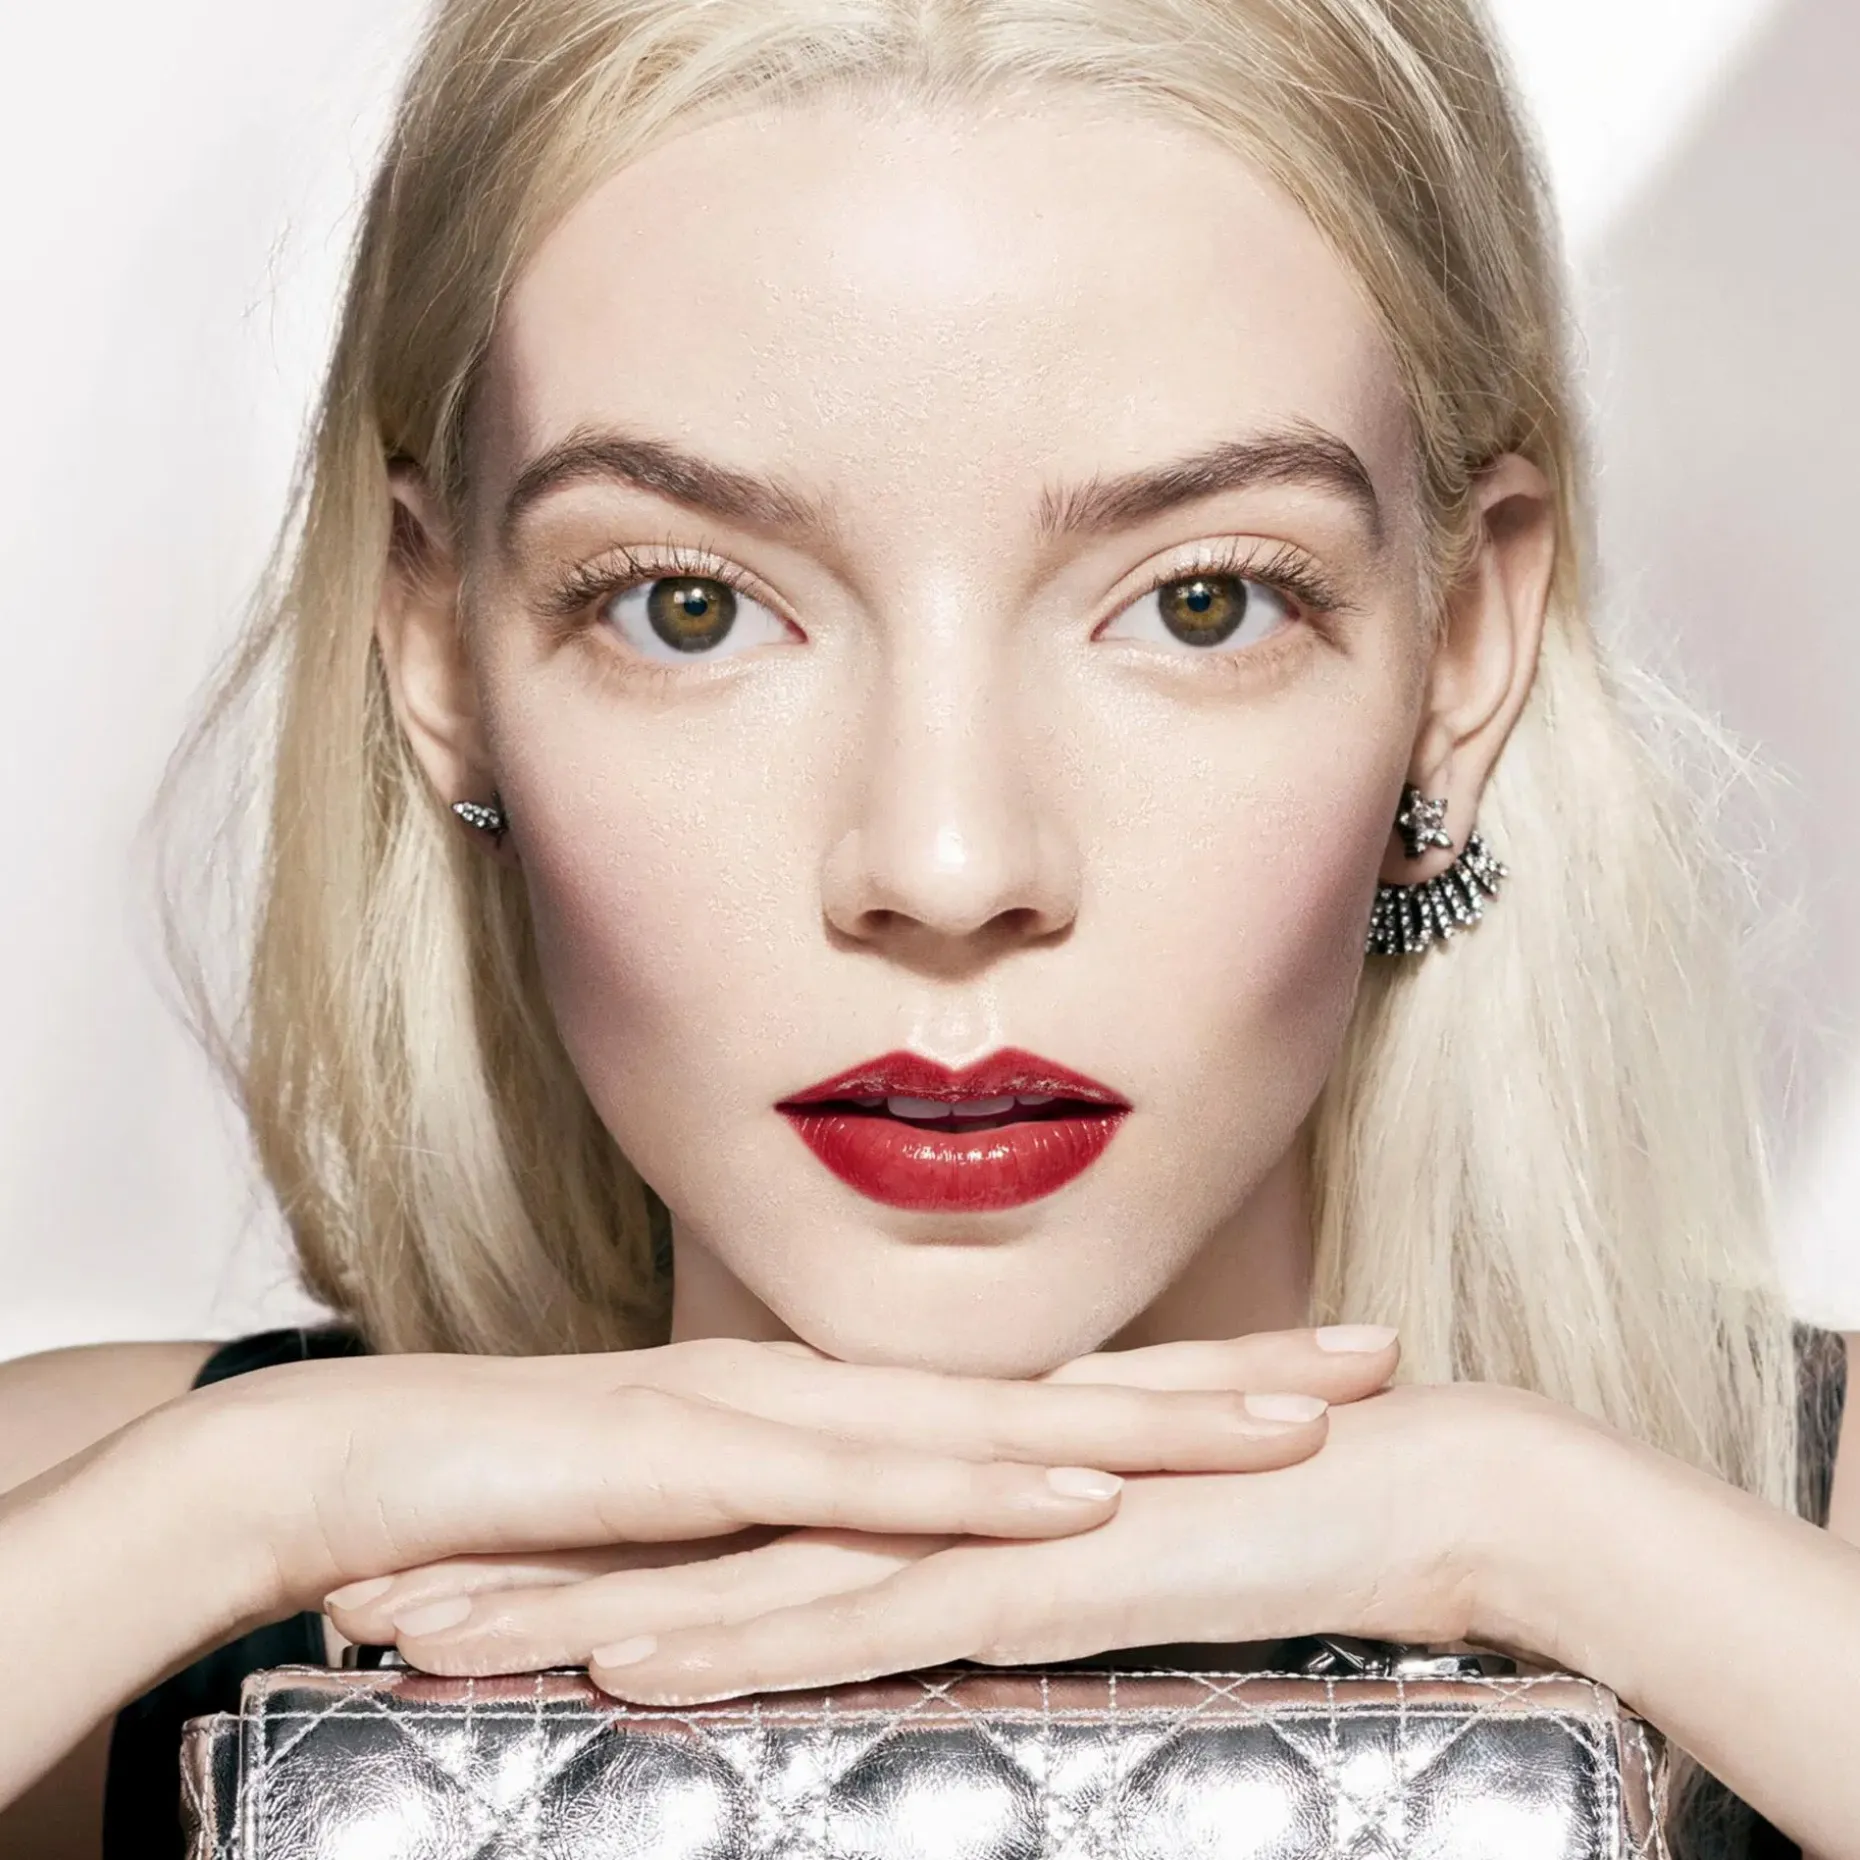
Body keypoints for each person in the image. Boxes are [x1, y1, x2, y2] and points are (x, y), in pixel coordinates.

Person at [1, 0, 1855, 1854]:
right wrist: (243, 1510)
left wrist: (1530, 1539)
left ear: (1460, 652)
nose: (952, 864)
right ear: (440, 653)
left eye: (1203, 602)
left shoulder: (1794, 1548)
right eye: (688, 607)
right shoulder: (139, 1535)